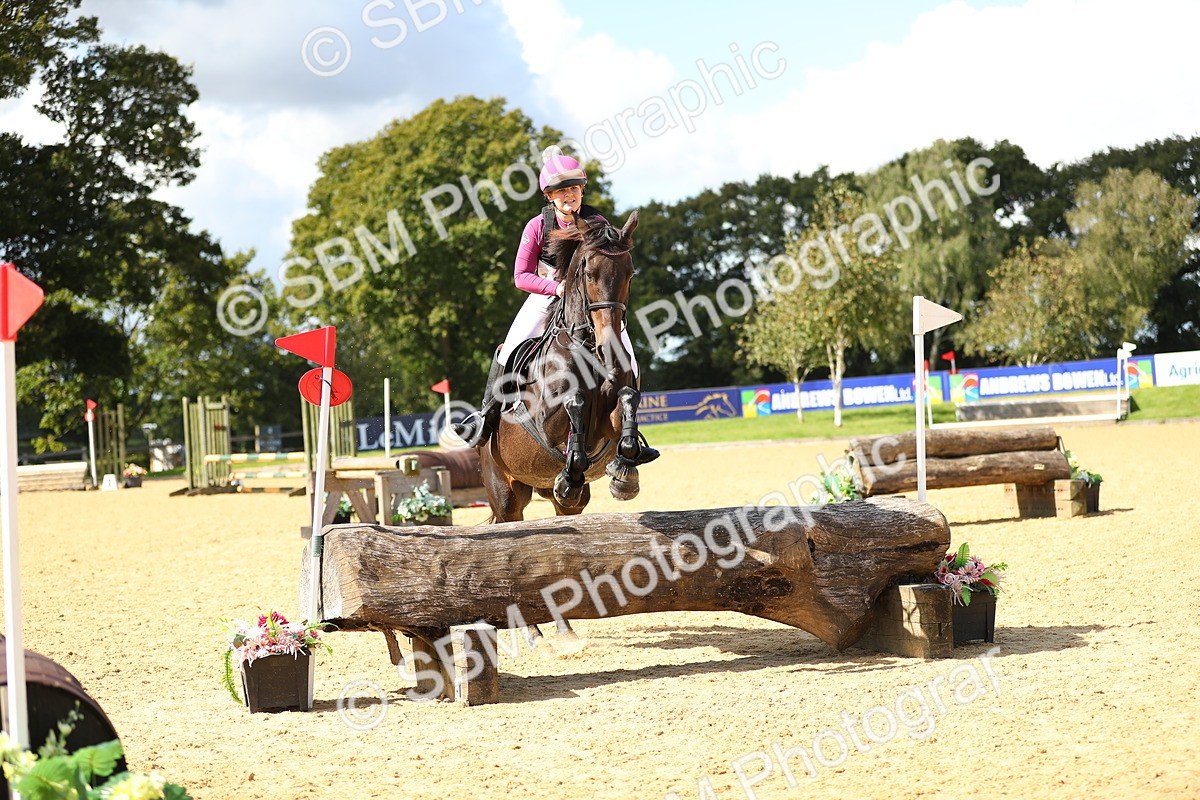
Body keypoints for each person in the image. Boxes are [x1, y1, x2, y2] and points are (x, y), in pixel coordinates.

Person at [453, 146, 658, 465]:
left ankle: (630, 431)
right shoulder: (537, 226)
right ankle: (485, 417)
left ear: (581, 190)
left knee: (627, 353)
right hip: (546, 295)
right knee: (510, 348)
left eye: (574, 188)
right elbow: (520, 276)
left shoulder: (596, 220)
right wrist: (556, 287)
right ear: (550, 196)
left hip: (592, 303)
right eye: (562, 191)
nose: (569, 195)